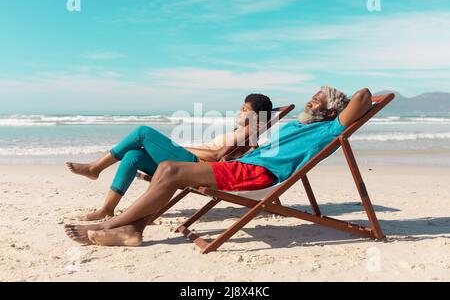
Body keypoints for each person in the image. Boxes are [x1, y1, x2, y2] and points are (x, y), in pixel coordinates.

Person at [64, 86, 371, 247]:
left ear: (332, 112)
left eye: (318, 100)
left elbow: (363, 97)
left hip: (257, 174)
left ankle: (110, 224)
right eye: (312, 97)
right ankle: (132, 229)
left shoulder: (328, 129)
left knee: (170, 169)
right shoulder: (298, 125)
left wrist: (336, 102)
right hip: (245, 165)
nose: (310, 102)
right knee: (167, 168)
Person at [66, 94, 273, 221]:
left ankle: (96, 169)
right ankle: (107, 209)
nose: (239, 111)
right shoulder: (243, 130)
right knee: (133, 155)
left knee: (143, 132)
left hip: (196, 166)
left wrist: (180, 147)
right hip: (192, 161)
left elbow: (217, 156)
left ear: (256, 116)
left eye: (244, 109)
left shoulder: (250, 131)